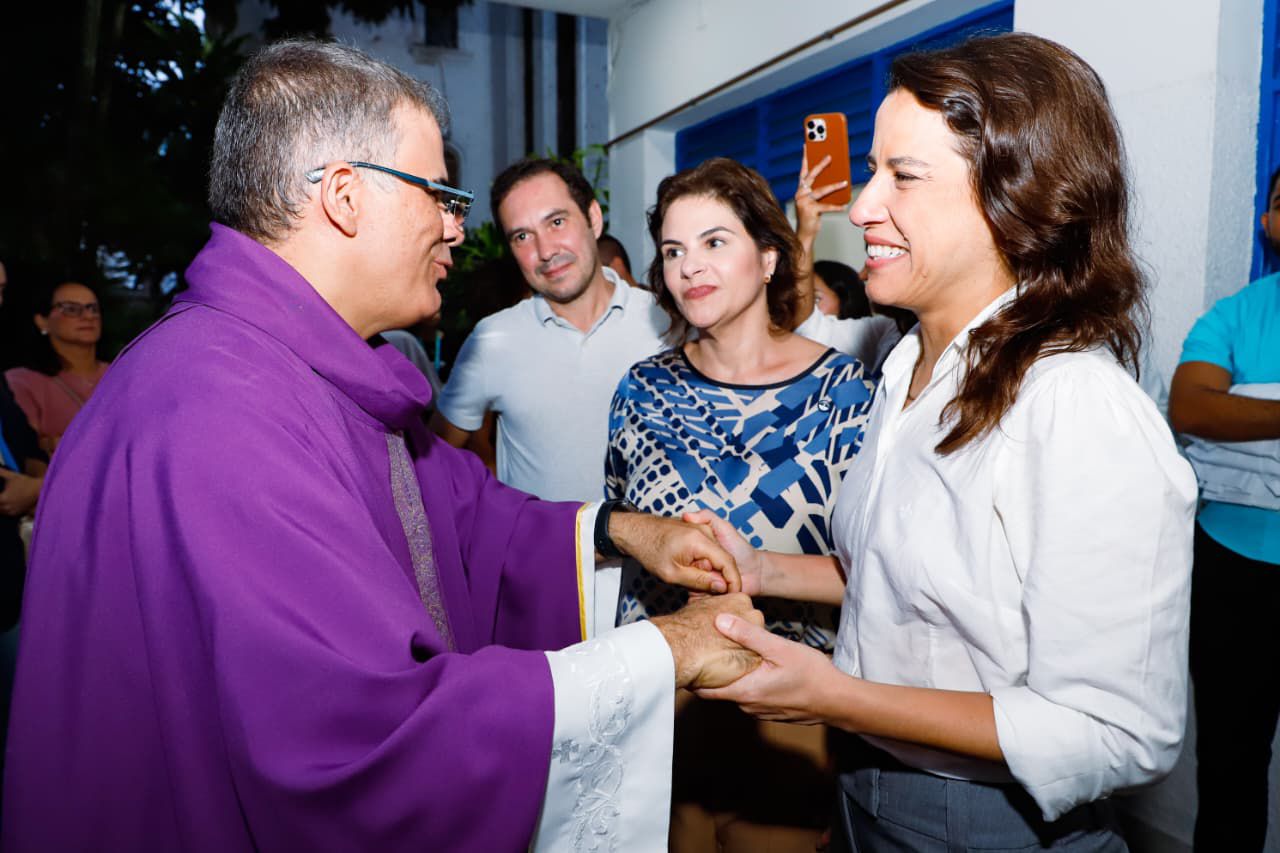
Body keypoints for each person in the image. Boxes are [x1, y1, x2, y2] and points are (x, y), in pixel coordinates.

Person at [3, 40, 766, 853]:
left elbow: (461, 512)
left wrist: (624, 530)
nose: (456, 227)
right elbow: (359, 739)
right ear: (344, 196)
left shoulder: (295, 364)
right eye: (438, 193)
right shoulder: (217, 408)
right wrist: (664, 651)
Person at [688, 33, 1197, 852]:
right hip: (864, 789)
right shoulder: (906, 366)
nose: (862, 207)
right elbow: (909, 577)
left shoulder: (1077, 408)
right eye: (872, 170)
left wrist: (836, 696)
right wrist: (763, 570)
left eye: (905, 175)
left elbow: (1117, 731)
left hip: (984, 823)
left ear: (1014, 198)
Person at [607, 157, 876, 852]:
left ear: (768, 258)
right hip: (661, 705)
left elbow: (878, 568)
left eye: (714, 242)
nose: (689, 265)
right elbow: (621, 539)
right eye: (673, 250)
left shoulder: (844, 392)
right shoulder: (641, 391)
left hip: (790, 707)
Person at [432, 159, 668, 502]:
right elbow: (432, 463)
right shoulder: (493, 341)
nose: (545, 251)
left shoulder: (666, 322)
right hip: (535, 540)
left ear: (593, 218)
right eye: (522, 236)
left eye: (557, 222)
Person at [1168, 165, 1280, 852]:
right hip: (1234, 571)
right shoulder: (1234, 314)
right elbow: (1192, 407)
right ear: (1268, 223)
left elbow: (1223, 409)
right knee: (1232, 766)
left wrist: (1250, 408)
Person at [790, 155, 902, 372]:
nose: (862, 276)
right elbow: (809, 327)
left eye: (904, 177)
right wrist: (805, 232)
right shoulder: (886, 334)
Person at [4, 280, 110, 453]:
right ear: (42, 321)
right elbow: (25, 450)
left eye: (93, 308)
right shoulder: (22, 382)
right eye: (71, 309)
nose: (88, 316)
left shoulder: (122, 373)